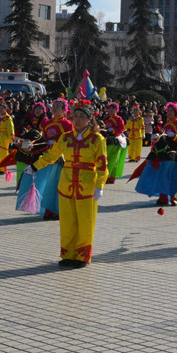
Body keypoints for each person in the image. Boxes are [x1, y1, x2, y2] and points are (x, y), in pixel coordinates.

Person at [25, 101, 108, 268]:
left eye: (82, 117)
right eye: (75, 116)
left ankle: (82, 256)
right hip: (66, 184)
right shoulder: (66, 137)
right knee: (67, 221)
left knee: (85, 222)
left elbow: (102, 165)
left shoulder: (96, 139)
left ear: (89, 119)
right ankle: (68, 254)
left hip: (87, 186)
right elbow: (52, 155)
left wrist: (100, 185)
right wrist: (35, 166)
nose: (77, 120)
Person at [135, 102, 177, 206]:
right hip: (165, 151)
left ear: (176, 113)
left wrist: (175, 136)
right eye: (168, 111)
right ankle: (163, 197)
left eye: (172, 111)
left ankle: (175, 198)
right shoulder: (166, 124)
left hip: (175, 151)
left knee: (175, 177)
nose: (169, 113)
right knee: (163, 175)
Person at [102, 102, 127, 184]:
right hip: (106, 140)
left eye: (113, 108)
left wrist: (112, 130)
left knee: (113, 160)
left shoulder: (119, 119)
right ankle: (106, 176)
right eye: (110, 108)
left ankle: (111, 177)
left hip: (115, 140)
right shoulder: (106, 118)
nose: (111, 110)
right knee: (106, 159)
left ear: (117, 110)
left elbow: (121, 129)